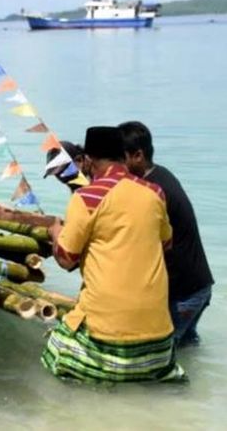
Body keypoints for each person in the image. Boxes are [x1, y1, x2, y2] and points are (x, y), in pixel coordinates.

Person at [43, 126, 185, 383]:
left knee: (53, 355)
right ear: (123, 155)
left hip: (106, 335)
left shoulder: (86, 197)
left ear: (87, 160)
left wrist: (55, 233)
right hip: (159, 338)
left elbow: (65, 259)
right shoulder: (154, 192)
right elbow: (166, 243)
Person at [119, 121, 214, 347]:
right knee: (186, 349)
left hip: (183, 293)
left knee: (161, 356)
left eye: (120, 160)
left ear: (137, 156)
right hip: (199, 286)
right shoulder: (159, 175)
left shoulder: (151, 191)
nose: (116, 168)